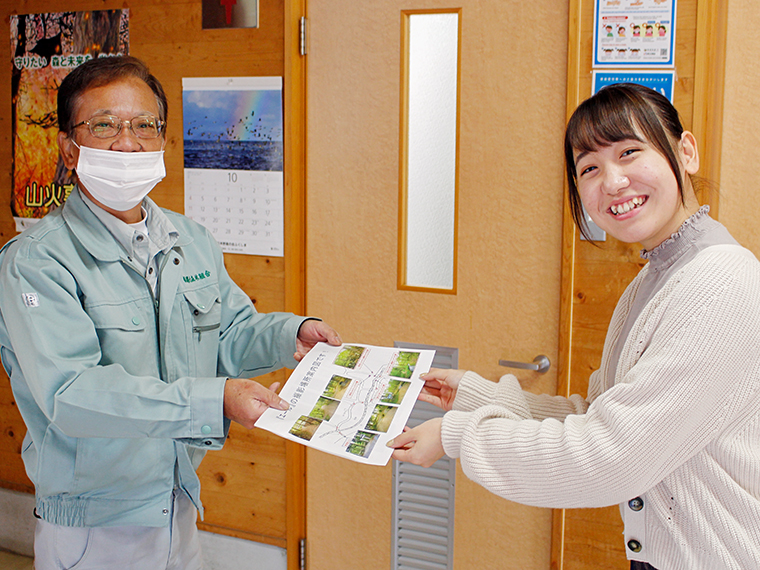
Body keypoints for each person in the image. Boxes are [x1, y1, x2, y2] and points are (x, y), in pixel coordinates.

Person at [389, 83, 760, 570]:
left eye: (629, 152)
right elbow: (600, 416)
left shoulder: (720, 284)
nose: (612, 181)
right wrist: (479, 397)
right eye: (589, 168)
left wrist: (457, 436)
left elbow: (611, 457)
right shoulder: (654, 279)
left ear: (685, 151)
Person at [0, 55, 341, 569]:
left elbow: (227, 336)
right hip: (92, 527)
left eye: (144, 126)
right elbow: (71, 395)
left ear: (163, 140)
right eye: (105, 126)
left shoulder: (190, 239)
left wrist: (292, 335)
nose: (127, 142)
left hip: (178, 503)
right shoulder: (37, 262)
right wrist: (215, 401)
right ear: (70, 150)